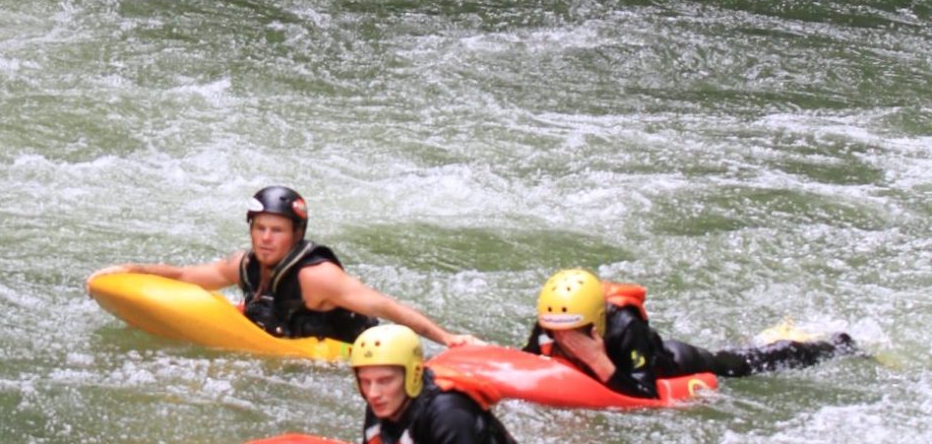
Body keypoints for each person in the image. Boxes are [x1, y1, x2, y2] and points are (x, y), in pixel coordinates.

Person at [86, 185, 479, 346]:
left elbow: (386, 307)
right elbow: (189, 277)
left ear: (296, 234)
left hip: (333, 361)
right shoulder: (244, 264)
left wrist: (446, 339)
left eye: (276, 230)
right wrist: (132, 268)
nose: (265, 238)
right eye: (259, 228)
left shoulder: (318, 277)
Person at [522, 268, 859, 399]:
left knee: (752, 363)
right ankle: (770, 336)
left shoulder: (627, 329)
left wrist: (597, 359)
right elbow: (525, 361)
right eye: (554, 331)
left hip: (678, 362)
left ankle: (838, 345)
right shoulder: (554, 321)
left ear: (595, 324)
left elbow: (643, 392)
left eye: (572, 333)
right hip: (627, 364)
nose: (561, 338)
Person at [353, 324, 516, 444]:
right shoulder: (380, 403)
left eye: (385, 381)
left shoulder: (449, 414)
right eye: (366, 381)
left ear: (414, 374)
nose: (373, 393)